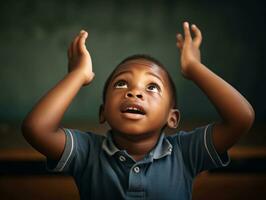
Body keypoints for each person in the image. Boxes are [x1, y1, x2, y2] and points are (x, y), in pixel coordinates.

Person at [21, 22, 255, 200]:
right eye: (121, 84)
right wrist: (77, 75)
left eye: (152, 87)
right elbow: (35, 128)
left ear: (171, 117)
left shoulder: (185, 153)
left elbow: (241, 118)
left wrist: (195, 68)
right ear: (103, 113)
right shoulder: (87, 153)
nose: (134, 92)